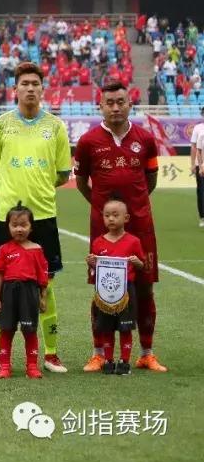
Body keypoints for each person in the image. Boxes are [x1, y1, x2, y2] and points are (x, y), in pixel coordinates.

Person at [0, 62, 71, 374]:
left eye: (35, 83)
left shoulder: (56, 127)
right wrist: (12, 197)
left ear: (42, 88)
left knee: (45, 286)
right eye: (25, 83)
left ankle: (51, 353)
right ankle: (0, 354)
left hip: (44, 215)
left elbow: (63, 173)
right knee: (6, 285)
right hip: (7, 218)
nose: (30, 88)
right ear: (15, 89)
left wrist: (39, 191)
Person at [74, 81, 166, 372]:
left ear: (130, 104)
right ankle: (99, 353)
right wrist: (104, 210)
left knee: (145, 288)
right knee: (102, 290)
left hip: (141, 226)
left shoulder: (145, 139)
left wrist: (133, 209)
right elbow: (81, 182)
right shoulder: (88, 142)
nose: (115, 107)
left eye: (120, 101)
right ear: (100, 105)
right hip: (103, 231)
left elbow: (150, 180)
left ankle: (146, 353)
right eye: (109, 102)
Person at [86, 199, 146, 375]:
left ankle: (124, 361)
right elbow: (94, 270)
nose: (111, 219)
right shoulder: (98, 242)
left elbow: (142, 266)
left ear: (126, 218)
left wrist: (137, 262)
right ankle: (109, 360)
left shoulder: (133, 241)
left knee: (125, 327)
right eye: (107, 216)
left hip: (126, 290)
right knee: (106, 327)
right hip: (104, 292)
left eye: (115, 215)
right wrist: (91, 263)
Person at [0, 204, 48, 380]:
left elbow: (42, 278)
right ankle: (4, 366)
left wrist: (42, 298)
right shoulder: (4, 249)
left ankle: (32, 366)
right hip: (8, 293)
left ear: (31, 226)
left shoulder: (37, 250)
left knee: (29, 330)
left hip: (29, 293)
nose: (19, 229)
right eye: (14, 225)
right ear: (8, 227)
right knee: (6, 330)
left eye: (23, 225)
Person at [193, 107, 204, 228]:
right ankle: (202, 216)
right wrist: (196, 165)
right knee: (201, 191)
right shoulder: (198, 129)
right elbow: (195, 148)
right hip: (200, 165)